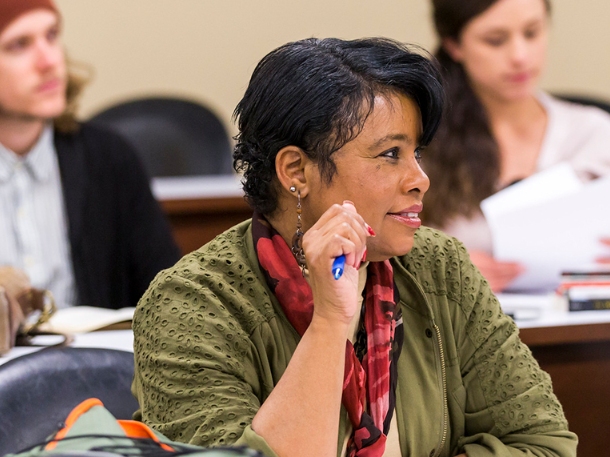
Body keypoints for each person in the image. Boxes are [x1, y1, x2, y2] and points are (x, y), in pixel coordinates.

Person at [132, 37, 577, 457]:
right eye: (389, 155)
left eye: (416, 153)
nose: (420, 179)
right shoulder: (191, 303)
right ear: (296, 172)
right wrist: (329, 320)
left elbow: (543, 443)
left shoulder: (441, 267)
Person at [0, 0, 181, 309]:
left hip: (94, 354)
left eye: (52, 35)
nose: (49, 61)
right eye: (19, 45)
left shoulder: (109, 159)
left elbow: (169, 292)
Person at [420, 0, 610, 292]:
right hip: (462, 329)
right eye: (495, 41)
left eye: (532, 33)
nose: (520, 56)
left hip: (583, 326)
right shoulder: (421, 142)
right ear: (454, 45)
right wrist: (438, 264)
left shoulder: (595, 132)